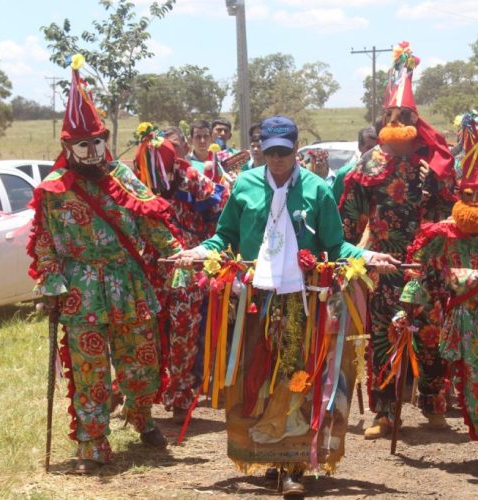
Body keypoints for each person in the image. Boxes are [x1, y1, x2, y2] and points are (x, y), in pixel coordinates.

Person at [172, 115, 399, 496]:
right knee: (257, 377)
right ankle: (267, 454)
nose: (277, 159)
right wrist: (198, 251)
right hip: (255, 301)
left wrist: (368, 256)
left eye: (284, 151)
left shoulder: (316, 190)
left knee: (299, 376)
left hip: (304, 302)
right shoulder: (244, 185)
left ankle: (294, 464)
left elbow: (335, 245)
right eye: (270, 150)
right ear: (261, 147)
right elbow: (223, 237)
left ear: (296, 150)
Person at [27, 55, 182, 473]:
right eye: (83, 143)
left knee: (141, 359)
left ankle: (141, 416)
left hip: (128, 282)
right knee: (90, 367)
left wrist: (177, 251)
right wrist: (51, 279)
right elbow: (43, 243)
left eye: (98, 141)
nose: (93, 150)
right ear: (67, 148)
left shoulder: (125, 178)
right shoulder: (53, 191)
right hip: (81, 289)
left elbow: (151, 223)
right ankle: (93, 443)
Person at [339, 42, 457, 439]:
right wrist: (349, 257)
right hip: (383, 265)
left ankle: (432, 403)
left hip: (426, 265)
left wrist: (443, 250)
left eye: (405, 114)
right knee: (384, 336)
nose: (398, 120)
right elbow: (351, 216)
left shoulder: (433, 164)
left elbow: (449, 213)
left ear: (415, 118)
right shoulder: (368, 164)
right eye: (392, 114)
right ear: (382, 118)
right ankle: (385, 410)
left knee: (429, 335)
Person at [133, 126, 229, 422]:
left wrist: (205, 249)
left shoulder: (191, 178)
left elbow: (222, 209)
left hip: (187, 266)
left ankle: (181, 398)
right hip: (150, 265)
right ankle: (139, 396)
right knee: (146, 330)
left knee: (184, 331)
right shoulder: (137, 179)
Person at [400, 111, 477, 441]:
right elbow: (419, 273)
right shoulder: (440, 234)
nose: (474, 205)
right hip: (451, 314)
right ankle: (437, 408)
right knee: (451, 367)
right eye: (469, 197)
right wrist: (406, 307)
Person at [331, 126, 378, 204]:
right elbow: (333, 206)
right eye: (369, 148)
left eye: (377, 148)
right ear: (360, 147)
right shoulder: (344, 174)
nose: (374, 152)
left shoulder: (385, 173)